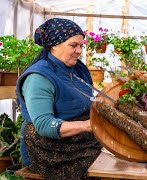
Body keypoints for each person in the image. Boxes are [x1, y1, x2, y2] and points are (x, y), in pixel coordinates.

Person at [16, 18, 102, 179]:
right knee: (100, 162)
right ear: (54, 45)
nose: (79, 51)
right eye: (73, 45)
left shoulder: (76, 70)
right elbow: (44, 125)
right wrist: (87, 125)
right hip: (50, 146)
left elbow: (87, 101)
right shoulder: (39, 77)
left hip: (79, 139)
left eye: (80, 46)